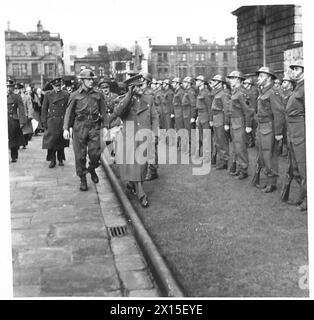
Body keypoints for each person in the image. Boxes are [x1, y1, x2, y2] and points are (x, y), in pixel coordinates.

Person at [108, 74, 159, 207]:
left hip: (144, 136)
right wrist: (128, 96)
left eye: (141, 85)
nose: (141, 88)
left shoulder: (149, 99)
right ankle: (141, 194)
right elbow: (117, 112)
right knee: (135, 165)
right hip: (129, 138)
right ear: (131, 88)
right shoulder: (123, 100)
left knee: (142, 166)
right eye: (137, 86)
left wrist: (155, 134)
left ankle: (132, 184)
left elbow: (154, 117)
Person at [63, 69, 107, 191]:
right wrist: (66, 128)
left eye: (92, 79)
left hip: (94, 126)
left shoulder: (98, 94)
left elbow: (103, 111)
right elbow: (68, 112)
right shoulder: (75, 95)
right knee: (80, 155)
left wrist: (106, 126)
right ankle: (83, 178)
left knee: (95, 153)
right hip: (80, 127)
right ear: (82, 81)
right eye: (88, 79)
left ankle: (92, 168)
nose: (91, 81)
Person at [252, 67, 285, 193]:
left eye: (261, 76)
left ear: (269, 78)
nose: (258, 78)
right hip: (262, 126)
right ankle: (268, 180)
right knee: (262, 153)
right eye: (259, 76)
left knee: (269, 154)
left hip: (269, 127)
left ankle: (272, 183)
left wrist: (278, 133)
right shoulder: (263, 91)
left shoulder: (272, 92)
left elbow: (278, 114)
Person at [282, 60, 306, 211]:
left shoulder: (306, 88)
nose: (294, 72)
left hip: (301, 132)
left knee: (304, 168)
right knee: (296, 167)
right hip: (293, 131)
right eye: (294, 69)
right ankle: (303, 195)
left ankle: (308, 200)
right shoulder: (298, 86)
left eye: (297, 69)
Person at [226, 71, 253, 179]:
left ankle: (244, 170)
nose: (230, 80)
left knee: (240, 147)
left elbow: (248, 111)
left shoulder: (241, 93)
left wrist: (248, 125)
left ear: (238, 79)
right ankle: (239, 167)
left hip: (239, 122)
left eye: (232, 78)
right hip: (234, 122)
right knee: (236, 147)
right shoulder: (235, 92)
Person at [41, 78, 70, 168]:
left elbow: (68, 109)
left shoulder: (66, 94)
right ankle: (52, 160)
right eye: (56, 86)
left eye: (59, 86)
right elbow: (44, 108)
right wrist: (44, 121)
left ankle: (60, 159)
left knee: (61, 140)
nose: (58, 87)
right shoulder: (48, 95)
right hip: (51, 121)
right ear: (53, 86)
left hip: (62, 120)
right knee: (51, 141)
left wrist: (68, 123)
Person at [210, 75, 230, 170]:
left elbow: (226, 110)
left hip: (220, 118)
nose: (213, 83)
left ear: (220, 83)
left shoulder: (223, 94)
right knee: (217, 140)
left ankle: (224, 161)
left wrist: (226, 123)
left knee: (222, 141)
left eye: (215, 81)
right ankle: (221, 160)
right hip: (216, 118)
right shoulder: (217, 93)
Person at [7, 79, 26, 162]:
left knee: (13, 139)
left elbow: (22, 109)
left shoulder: (16, 97)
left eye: (10, 87)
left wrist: (22, 121)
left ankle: (14, 156)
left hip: (13, 120)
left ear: (12, 87)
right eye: (7, 87)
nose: (8, 88)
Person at [195, 75, 211, 163]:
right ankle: (204, 155)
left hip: (205, 116)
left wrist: (210, 119)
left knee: (206, 137)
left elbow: (209, 107)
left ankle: (207, 156)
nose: (196, 82)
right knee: (201, 137)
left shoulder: (205, 93)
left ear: (202, 82)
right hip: (200, 115)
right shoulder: (200, 92)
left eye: (197, 81)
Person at [181, 76, 197, 155]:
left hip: (189, 115)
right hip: (186, 115)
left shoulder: (190, 92)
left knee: (191, 133)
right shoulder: (187, 91)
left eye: (184, 82)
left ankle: (193, 150)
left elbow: (193, 105)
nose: (183, 84)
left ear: (188, 83)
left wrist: (193, 117)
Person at [16, 83, 34, 148]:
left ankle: (24, 144)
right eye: (16, 89)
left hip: (25, 115)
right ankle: (18, 144)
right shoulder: (14, 96)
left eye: (19, 89)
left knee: (25, 131)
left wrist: (30, 115)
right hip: (16, 116)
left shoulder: (27, 97)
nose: (17, 90)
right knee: (17, 130)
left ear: (22, 89)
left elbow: (30, 106)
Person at [172, 77, 185, 150]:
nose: (173, 84)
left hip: (180, 113)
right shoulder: (177, 91)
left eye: (174, 83)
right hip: (177, 113)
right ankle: (180, 144)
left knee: (181, 129)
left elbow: (183, 104)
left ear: (178, 84)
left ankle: (182, 145)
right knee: (178, 129)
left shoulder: (181, 92)